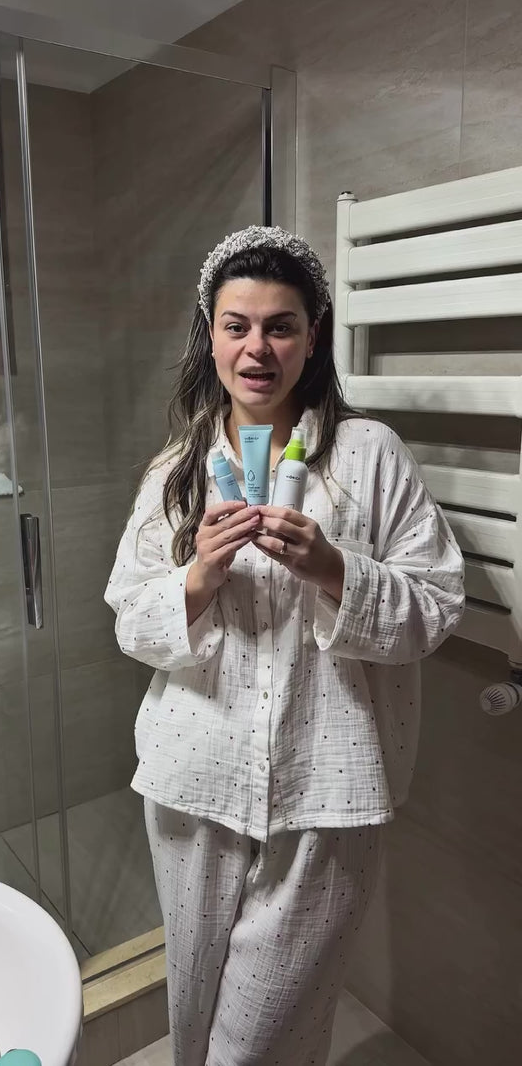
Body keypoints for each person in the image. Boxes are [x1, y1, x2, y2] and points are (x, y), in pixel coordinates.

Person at [105, 226, 465, 1066]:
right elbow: (129, 617)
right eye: (237, 325)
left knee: (263, 1037)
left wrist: (335, 568)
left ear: (312, 335)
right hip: (193, 779)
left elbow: (437, 605)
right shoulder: (176, 470)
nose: (257, 348)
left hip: (327, 789)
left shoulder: (369, 456)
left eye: (280, 325)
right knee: (194, 1009)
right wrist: (198, 577)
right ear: (212, 335)